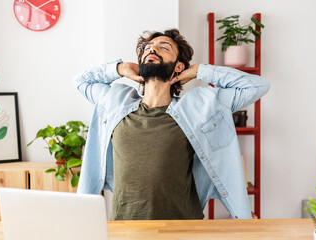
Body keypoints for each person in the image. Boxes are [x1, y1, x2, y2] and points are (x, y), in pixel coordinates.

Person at [74, 29, 270, 220]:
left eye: (163, 47)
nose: (152, 49)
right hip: (124, 226)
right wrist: (119, 68)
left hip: (182, 229)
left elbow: (257, 86)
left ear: (178, 67)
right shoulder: (116, 101)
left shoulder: (197, 107)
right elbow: (81, 82)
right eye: (147, 47)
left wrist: (201, 71)